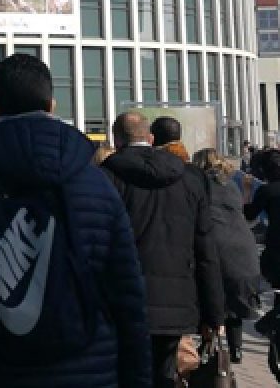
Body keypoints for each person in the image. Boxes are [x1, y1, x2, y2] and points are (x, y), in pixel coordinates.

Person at [0, 54, 151, 388]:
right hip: (86, 369)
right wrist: (138, 378)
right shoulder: (96, 185)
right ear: (52, 105)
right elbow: (128, 295)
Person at [103, 112, 223, 388]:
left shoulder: (107, 177)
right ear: (150, 138)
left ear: (116, 139)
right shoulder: (190, 179)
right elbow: (206, 250)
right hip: (177, 302)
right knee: (165, 373)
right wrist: (214, 313)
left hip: (124, 300)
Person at [194, 148, 261, 363]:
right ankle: (236, 350)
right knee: (234, 306)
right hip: (243, 246)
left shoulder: (200, 185)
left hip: (215, 245)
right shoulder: (231, 186)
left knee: (212, 297)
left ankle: (209, 347)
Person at [246, 149, 280, 337]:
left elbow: (249, 214)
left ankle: (270, 323)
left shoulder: (267, 190)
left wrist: (247, 192)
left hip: (275, 249)